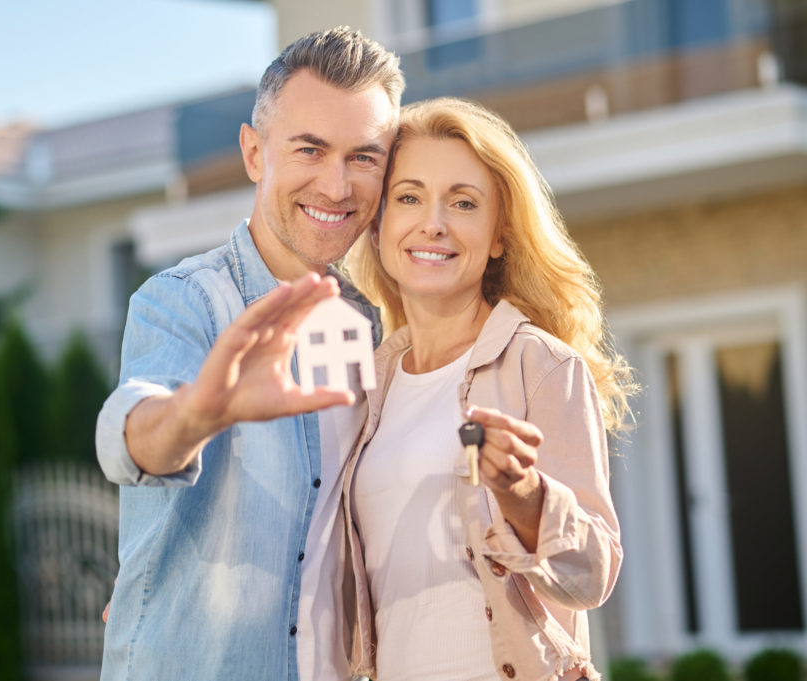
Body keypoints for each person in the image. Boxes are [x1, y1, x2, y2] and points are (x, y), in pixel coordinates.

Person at [94, 27, 404, 681]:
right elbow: (134, 435)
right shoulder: (183, 302)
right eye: (310, 149)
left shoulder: (374, 330)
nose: (336, 184)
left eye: (363, 157)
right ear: (254, 152)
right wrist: (200, 413)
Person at [341, 97, 638, 681]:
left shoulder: (542, 365)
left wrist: (524, 494)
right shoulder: (362, 389)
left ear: (498, 236)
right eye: (409, 197)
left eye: (463, 202)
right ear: (378, 229)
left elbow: (593, 572)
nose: (434, 222)